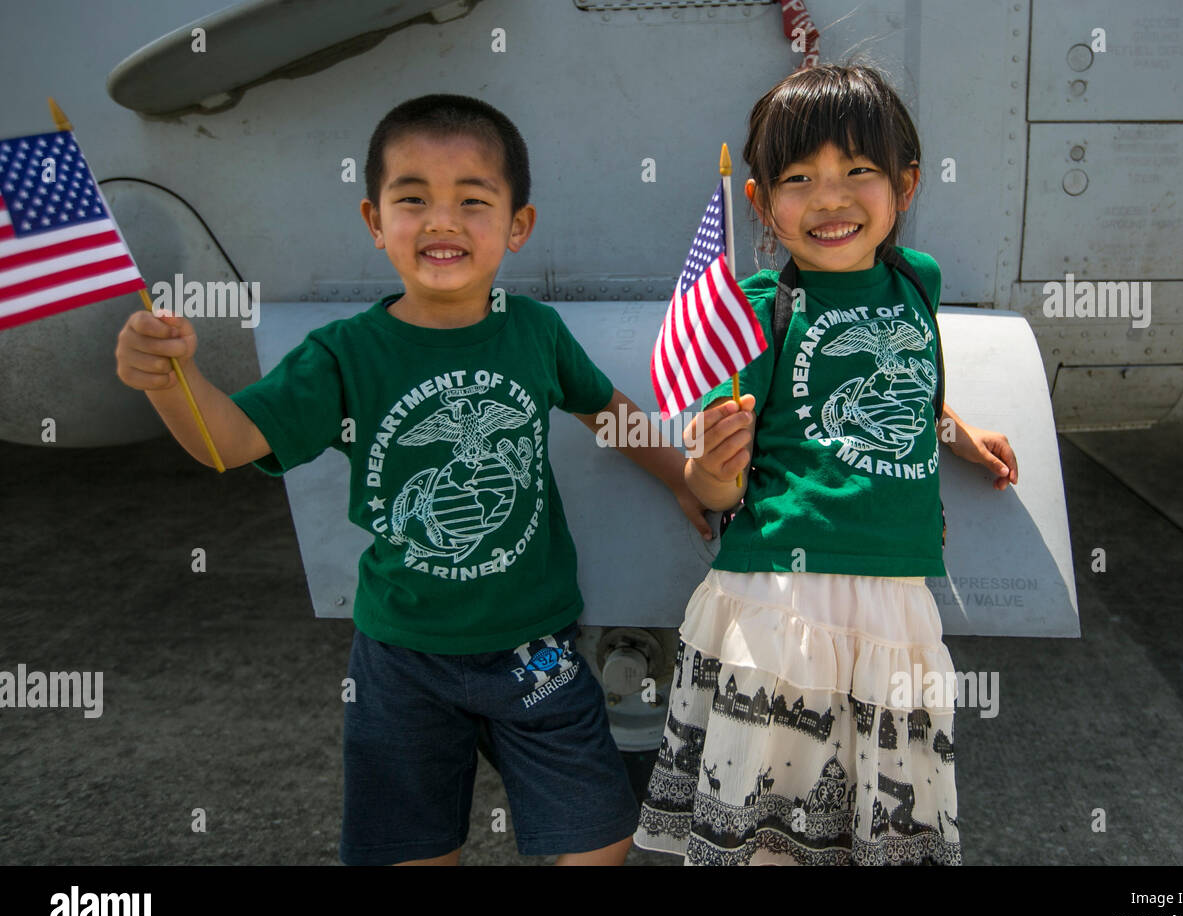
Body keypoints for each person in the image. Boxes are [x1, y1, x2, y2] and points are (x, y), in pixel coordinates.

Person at [115, 93, 709, 866]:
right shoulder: (342, 356)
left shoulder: (535, 332)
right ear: (374, 220)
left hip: (538, 649)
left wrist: (680, 477)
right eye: (413, 199)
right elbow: (231, 442)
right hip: (401, 658)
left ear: (517, 226)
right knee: (410, 851)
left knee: (601, 836)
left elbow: (606, 411)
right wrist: (172, 381)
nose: (443, 220)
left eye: (473, 199)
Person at [633, 64, 1018, 865]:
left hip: (896, 603)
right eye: (799, 179)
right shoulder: (757, 311)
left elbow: (900, 384)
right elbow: (716, 492)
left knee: (877, 828)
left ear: (905, 185)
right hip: (781, 604)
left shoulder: (920, 281)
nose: (830, 198)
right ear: (761, 203)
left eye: (859, 172)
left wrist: (956, 430)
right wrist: (709, 466)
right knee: (770, 837)